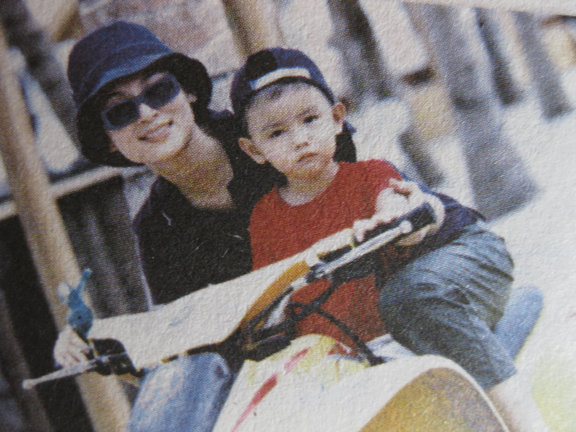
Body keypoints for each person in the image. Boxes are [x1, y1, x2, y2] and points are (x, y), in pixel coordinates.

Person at [52, 22, 358, 432]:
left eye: (159, 91)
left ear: (189, 92)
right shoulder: (156, 230)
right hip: (287, 383)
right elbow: (197, 352)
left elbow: (368, 192)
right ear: (109, 139)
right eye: (120, 110)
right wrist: (101, 348)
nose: (146, 113)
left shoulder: (273, 132)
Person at [231, 47, 550, 432]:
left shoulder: (369, 175)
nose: (299, 139)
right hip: (330, 359)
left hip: (394, 338)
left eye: (310, 119)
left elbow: (393, 200)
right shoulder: (264, 217)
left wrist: (389, 216)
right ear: (254, 150)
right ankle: (505, 319)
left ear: (337, 119)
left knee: (442, 410)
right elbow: (268, 293)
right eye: (277, 133)